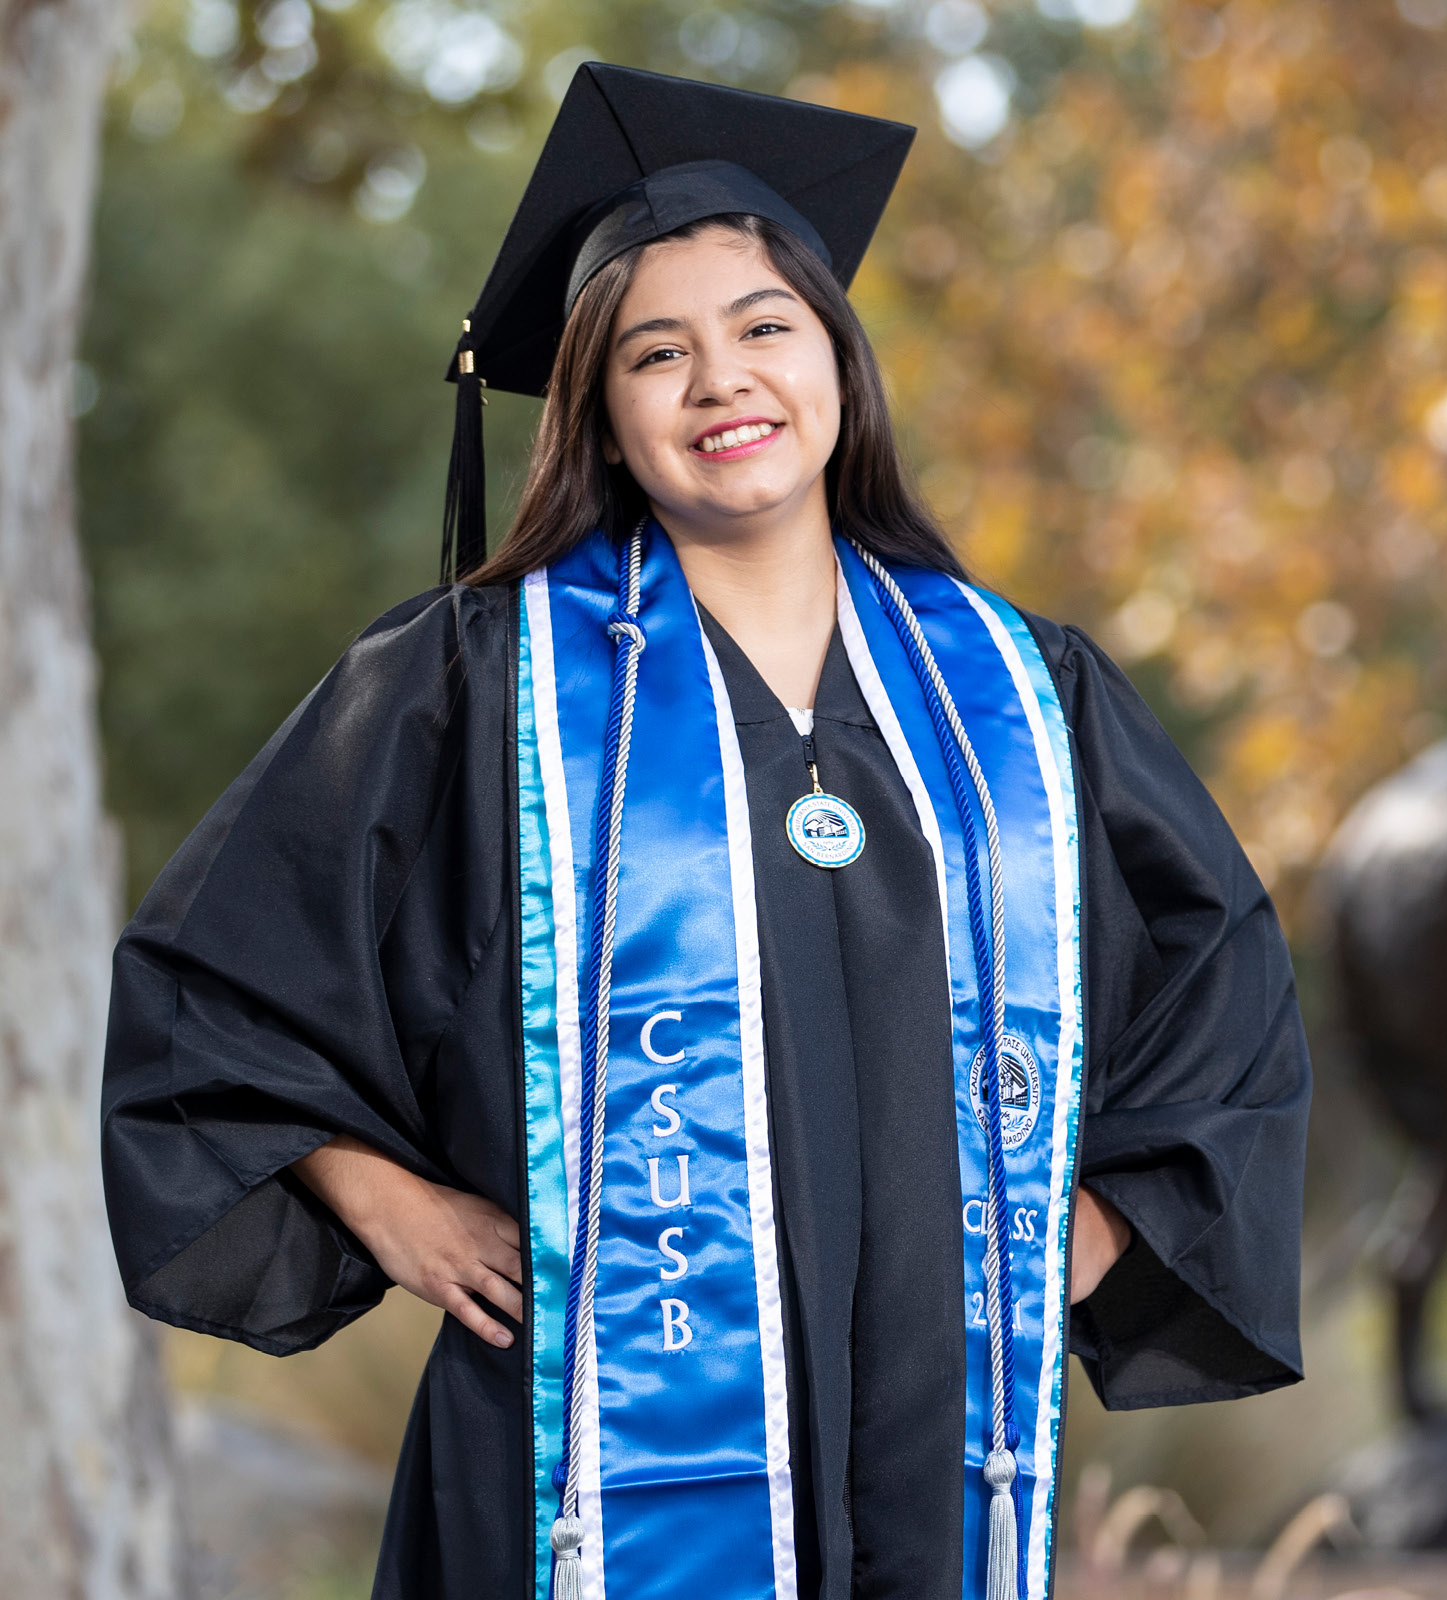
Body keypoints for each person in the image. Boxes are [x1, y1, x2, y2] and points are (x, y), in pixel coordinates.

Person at [100, 63, 1309, 1600]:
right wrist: (379, 1198)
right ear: (603, 416)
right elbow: (212, 985)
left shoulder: (1019, 689)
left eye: (763, 331)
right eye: (655, 356)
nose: (720, 383)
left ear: (839, 367)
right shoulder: (477, 686)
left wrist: (1092, 1227)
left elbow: (1225, 984)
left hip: (942, 1435)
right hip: (586, 1455)